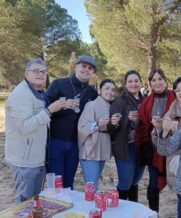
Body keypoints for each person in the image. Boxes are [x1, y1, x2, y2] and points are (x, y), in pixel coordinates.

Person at [5, 59, 65, 203]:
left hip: (37, 159)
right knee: (24, 203)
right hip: (24, 161)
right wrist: (50, 110)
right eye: (36, 71)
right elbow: (24, 126)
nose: (40, 74)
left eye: (44, 71)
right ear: (26, 73)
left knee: (34, 201)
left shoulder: (39, 92)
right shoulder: (21, 94)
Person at [46, 55, 98, 189]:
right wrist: (62, 106)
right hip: (56, 142)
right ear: (76, 66)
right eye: (83, 66)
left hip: (76, 144)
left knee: (68, 184)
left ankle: (68, 209)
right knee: (56, 184)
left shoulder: (92, 92)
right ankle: (56, 208)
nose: (86, 70)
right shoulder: (59, 83)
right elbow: (45, 108)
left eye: (90, 68)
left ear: (92, 72)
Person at [135, 69, 176, 211]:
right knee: (153, 186)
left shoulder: (176, 96)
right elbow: (142, 127)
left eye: (160, 79)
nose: (157, 82)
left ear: (165, 81)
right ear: (150, 83)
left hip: (176, 150)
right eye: (154, 80)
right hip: (155, 150)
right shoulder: (146, 103)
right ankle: (154, 213)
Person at [107, 70, 145, 202]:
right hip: (125, 149)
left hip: (141, 148)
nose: (133, 84)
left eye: (136, 81)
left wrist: (137, 120)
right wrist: (113, 123)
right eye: (130, 81)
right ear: (125, 84)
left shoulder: (145, 101)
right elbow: (111, 129)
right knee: (125, 183)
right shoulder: (119, 101)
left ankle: (133, 209)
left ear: (141, 82)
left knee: (135, 182)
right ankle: (120, 211)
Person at [77, 79, 116, 191]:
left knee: (95, 182)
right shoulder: (91, 105)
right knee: (91, 185)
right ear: (100, 90)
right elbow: (82, 126)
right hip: (91, 147)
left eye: (113, 90)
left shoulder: (112, 107)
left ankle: (93, 206)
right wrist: (97, 123)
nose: (110, 92)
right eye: (107, 88)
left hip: (103, 146)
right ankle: (90, 207)